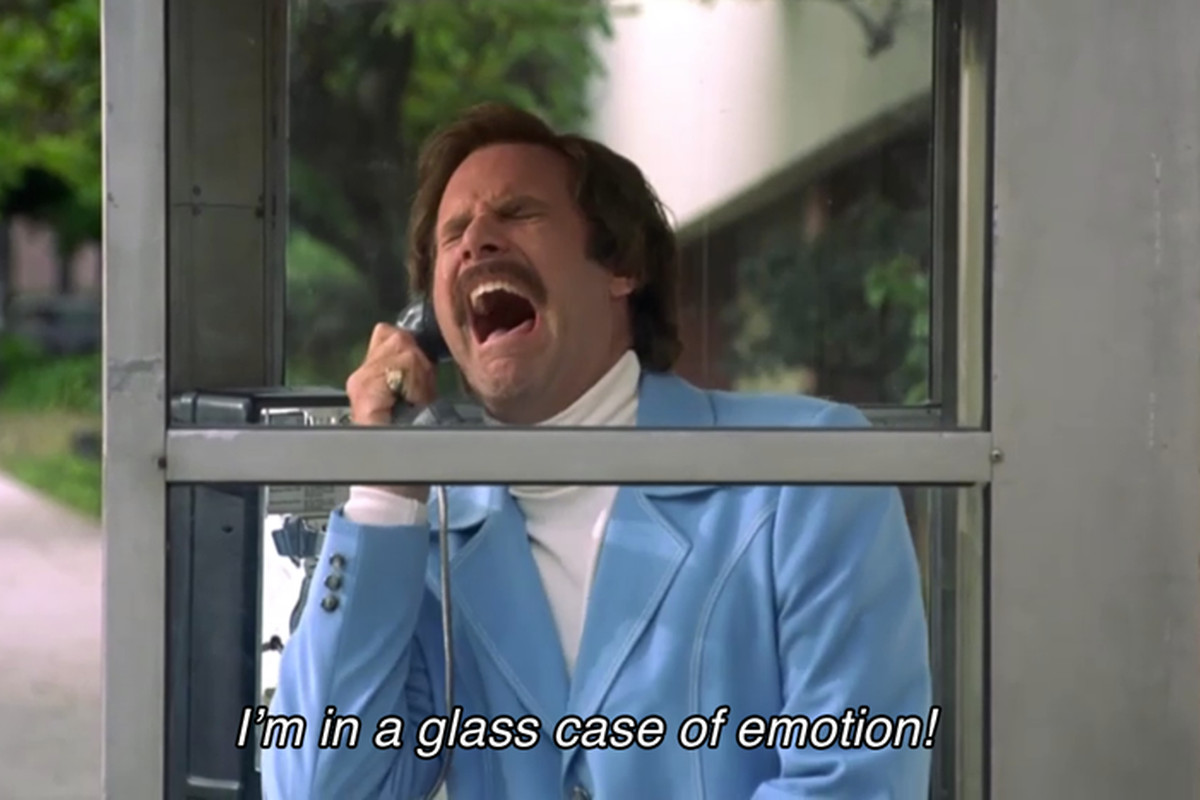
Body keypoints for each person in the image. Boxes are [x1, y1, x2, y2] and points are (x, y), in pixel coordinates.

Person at [263, 102, 932, 799]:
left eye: (517, 213)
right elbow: (319, 789)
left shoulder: (809, 471)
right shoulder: (426, 543)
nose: (476, 242)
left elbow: (856, 779)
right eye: (452, 234)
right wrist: (383, 487)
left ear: (621, 266)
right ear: (433, 322)